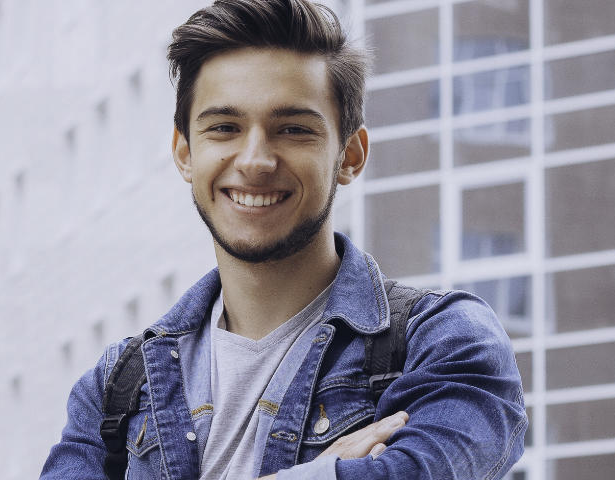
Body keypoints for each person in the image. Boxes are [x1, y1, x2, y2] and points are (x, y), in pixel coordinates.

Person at [38, 1, 527, 479]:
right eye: (225, 128)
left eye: (293, 129)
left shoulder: (440, 341)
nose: (254, 161)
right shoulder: (119, 384)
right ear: (184, 152)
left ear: (350, 156)